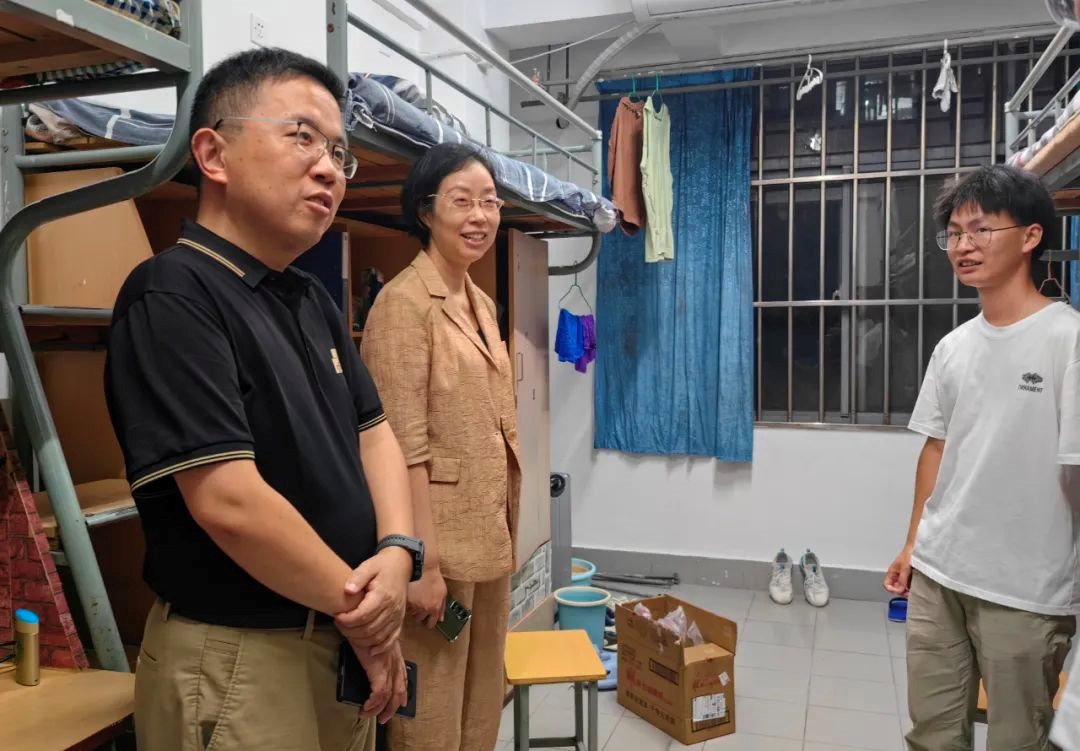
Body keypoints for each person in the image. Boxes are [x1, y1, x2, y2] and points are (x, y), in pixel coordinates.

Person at [104, 47, 427, 751]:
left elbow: (373, 433)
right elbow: (229, 501)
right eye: (302, 136)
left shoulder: (308, 298)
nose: (329, 168)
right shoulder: (173, 293)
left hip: (334, 633)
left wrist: (399, 551)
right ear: (213, 153)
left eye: (339, 152)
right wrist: (368, 613)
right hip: (241, 658)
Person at [883, 164, 1080, 751]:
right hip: (939, 573)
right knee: (931, 734)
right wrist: (913, 543)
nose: (963, 246)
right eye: (953, 233)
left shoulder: (1067, 340)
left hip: (1025, 590)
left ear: (1030, 236)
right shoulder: (953, 347)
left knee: (1017, 739)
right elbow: (937, 448)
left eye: (981, 230)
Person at [359, 142, 521, 751]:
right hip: (437, 551)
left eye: (490, 202)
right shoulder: (402, 305)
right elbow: (402, 447)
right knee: (429, 716)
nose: (480, 216)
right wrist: (419, 563)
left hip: (489, 536)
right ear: (426, 212)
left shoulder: (481, 303)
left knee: (482, 700)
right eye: (462, 201)